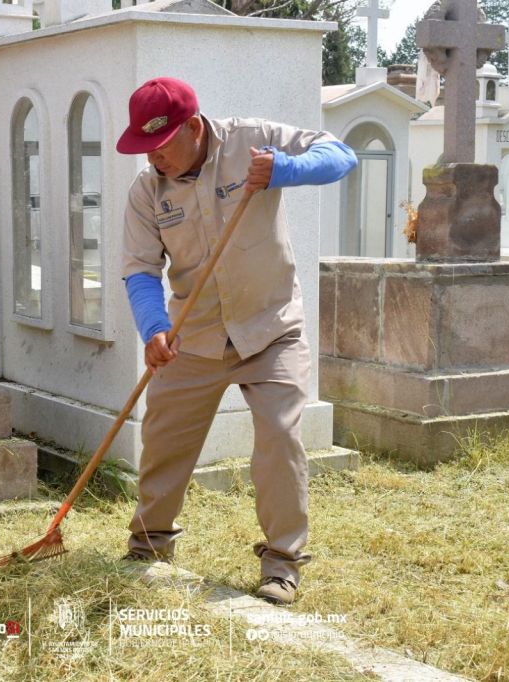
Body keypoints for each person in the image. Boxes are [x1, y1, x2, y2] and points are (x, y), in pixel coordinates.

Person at [115, 77, 357, 605]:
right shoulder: (145, 192)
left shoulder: (253, 140)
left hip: (271, 330)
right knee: (163, 442)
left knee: (279, 436)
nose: (153, 157)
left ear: (193, 127)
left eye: (160, 145)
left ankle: (283, 563)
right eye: (145, 148)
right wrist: (153, 329)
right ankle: (150, 543)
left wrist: (285, 169)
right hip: (191, 338)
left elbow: (341, 155)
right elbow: (139, 270)